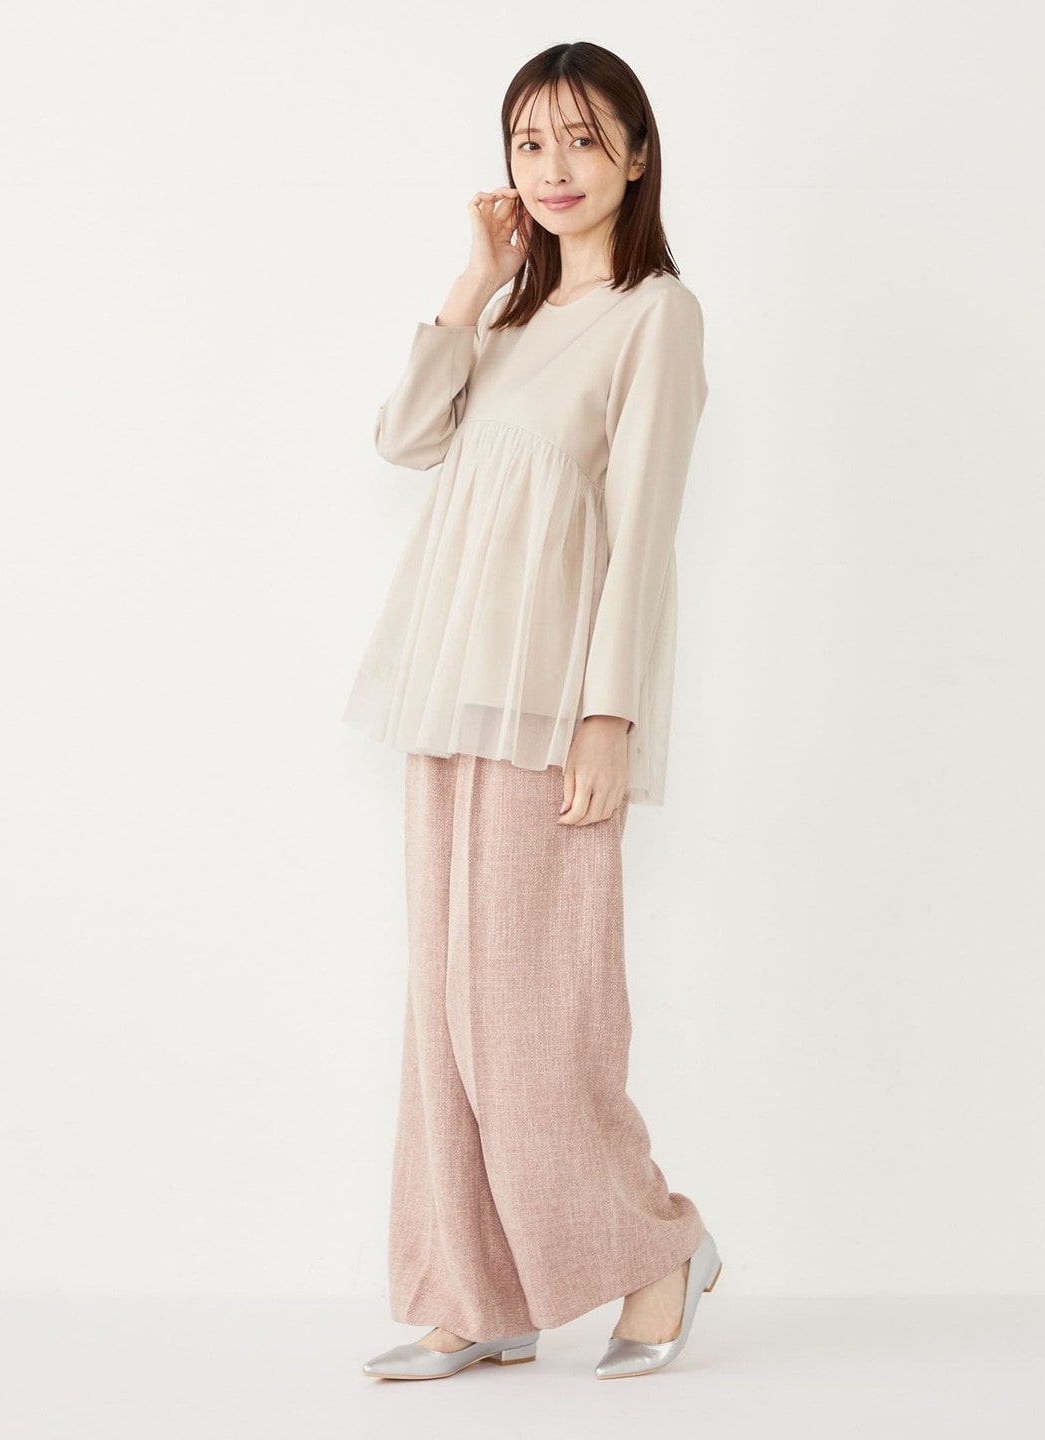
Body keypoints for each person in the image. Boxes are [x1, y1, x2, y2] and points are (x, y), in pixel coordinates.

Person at [345, 40, 722, 1381]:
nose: (554, 168)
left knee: (535, 1012)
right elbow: (402, 438)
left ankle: (657, 1246)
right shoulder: (504, 325)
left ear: (636, 152)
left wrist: (608, 716)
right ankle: (476, 1291)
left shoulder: (656, 317)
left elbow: (643, 530)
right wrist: (473, 281)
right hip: (449, 692)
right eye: (529, 142)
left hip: (552, 705)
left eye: (581, 138)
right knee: (446, 1012)